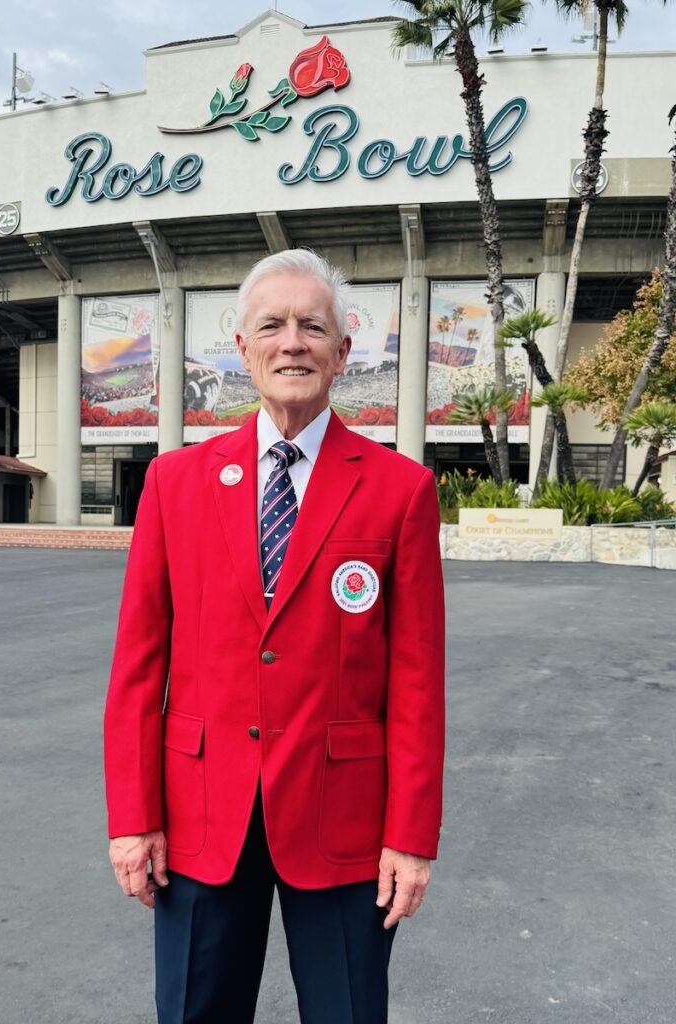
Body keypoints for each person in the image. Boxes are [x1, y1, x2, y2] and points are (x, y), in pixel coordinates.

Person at [104, 248, 445, 1023]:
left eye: (312, 326)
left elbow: (417, 679)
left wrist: (412, 836)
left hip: (347, 823)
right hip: (199, 819)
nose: (293, 341)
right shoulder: (174, 484)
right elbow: (136, 666)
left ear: (342, 352)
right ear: (244, 348)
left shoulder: (400, 491)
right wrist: (133, 819)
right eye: (273, 325)